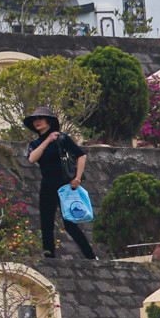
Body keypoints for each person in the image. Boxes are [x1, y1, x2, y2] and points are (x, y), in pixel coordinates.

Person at [25, 106, 96, 259]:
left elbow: (81, 155)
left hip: (65, 185)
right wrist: (47, 141)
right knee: (46, 223)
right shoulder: (35, 144)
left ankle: (91, 257)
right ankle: (49, 258)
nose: (37, 122)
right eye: (35, 120)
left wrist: (77, 178)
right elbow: (32, 159)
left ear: (49, 121)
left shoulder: (62, 138)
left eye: (40, 118)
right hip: (47, 186)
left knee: (70, 223)